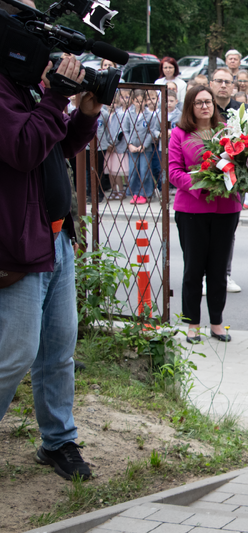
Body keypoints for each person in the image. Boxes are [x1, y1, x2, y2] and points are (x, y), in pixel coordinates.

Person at [0, 43, 102, 481]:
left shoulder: (28, 88)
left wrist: (85, 115)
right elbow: (23, 148)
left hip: (56, 238)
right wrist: (57, 96)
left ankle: (58, 441)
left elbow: (56, 148)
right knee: (14, 356)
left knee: (58, 353)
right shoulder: (4, 89)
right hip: (20, 248)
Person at [168, 86, 242, 344]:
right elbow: (174, 172)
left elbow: (241, 164)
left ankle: (217, 323)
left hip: (226, 209)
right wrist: (203, 182)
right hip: (192, 210)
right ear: (190, 106)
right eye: (198, 102)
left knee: (218, 270)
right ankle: (192, 324)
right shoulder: (179, 134)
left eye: (208, 101)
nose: (204, 106)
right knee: (194, 269)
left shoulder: (227, 132)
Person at [122, 89, 159, 204]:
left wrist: (144, 145)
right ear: (133, 101)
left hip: (145, 148)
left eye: (142, 101)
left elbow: (151, 131)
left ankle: (145, 194)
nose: (139, 103)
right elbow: (125, 130)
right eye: (137, 101)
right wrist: (130, 145)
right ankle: (135, 193)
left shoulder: (150, 115)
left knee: (144, 170)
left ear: (146, 101)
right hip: (132, 148)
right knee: (133, 171)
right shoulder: (128, 114)